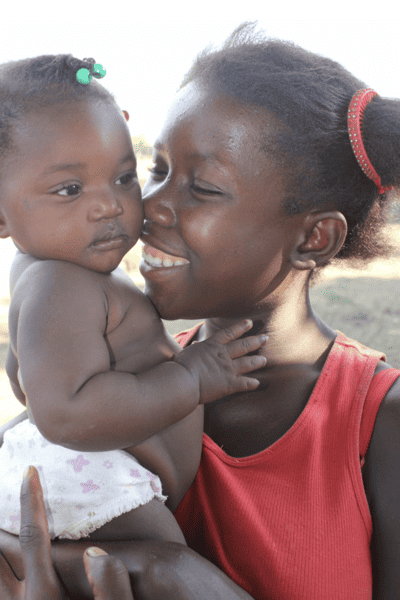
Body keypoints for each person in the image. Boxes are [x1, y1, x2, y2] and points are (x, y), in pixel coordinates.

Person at [1, 22, 400, 599]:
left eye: (202, 188)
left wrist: (182, 580)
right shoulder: (118, 386)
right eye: (157, 171)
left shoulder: (377, 423)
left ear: (315, 238)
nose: (149, 206)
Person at [0, 52, 267, 559]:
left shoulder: (55, 273)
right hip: (83, 480)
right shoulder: (60, 283)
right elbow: (63, 413)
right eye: (70, 189)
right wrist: (188, 379)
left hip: (86, 476)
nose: (109, 204)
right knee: (173, 568)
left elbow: (25, 380)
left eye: (123, 178)